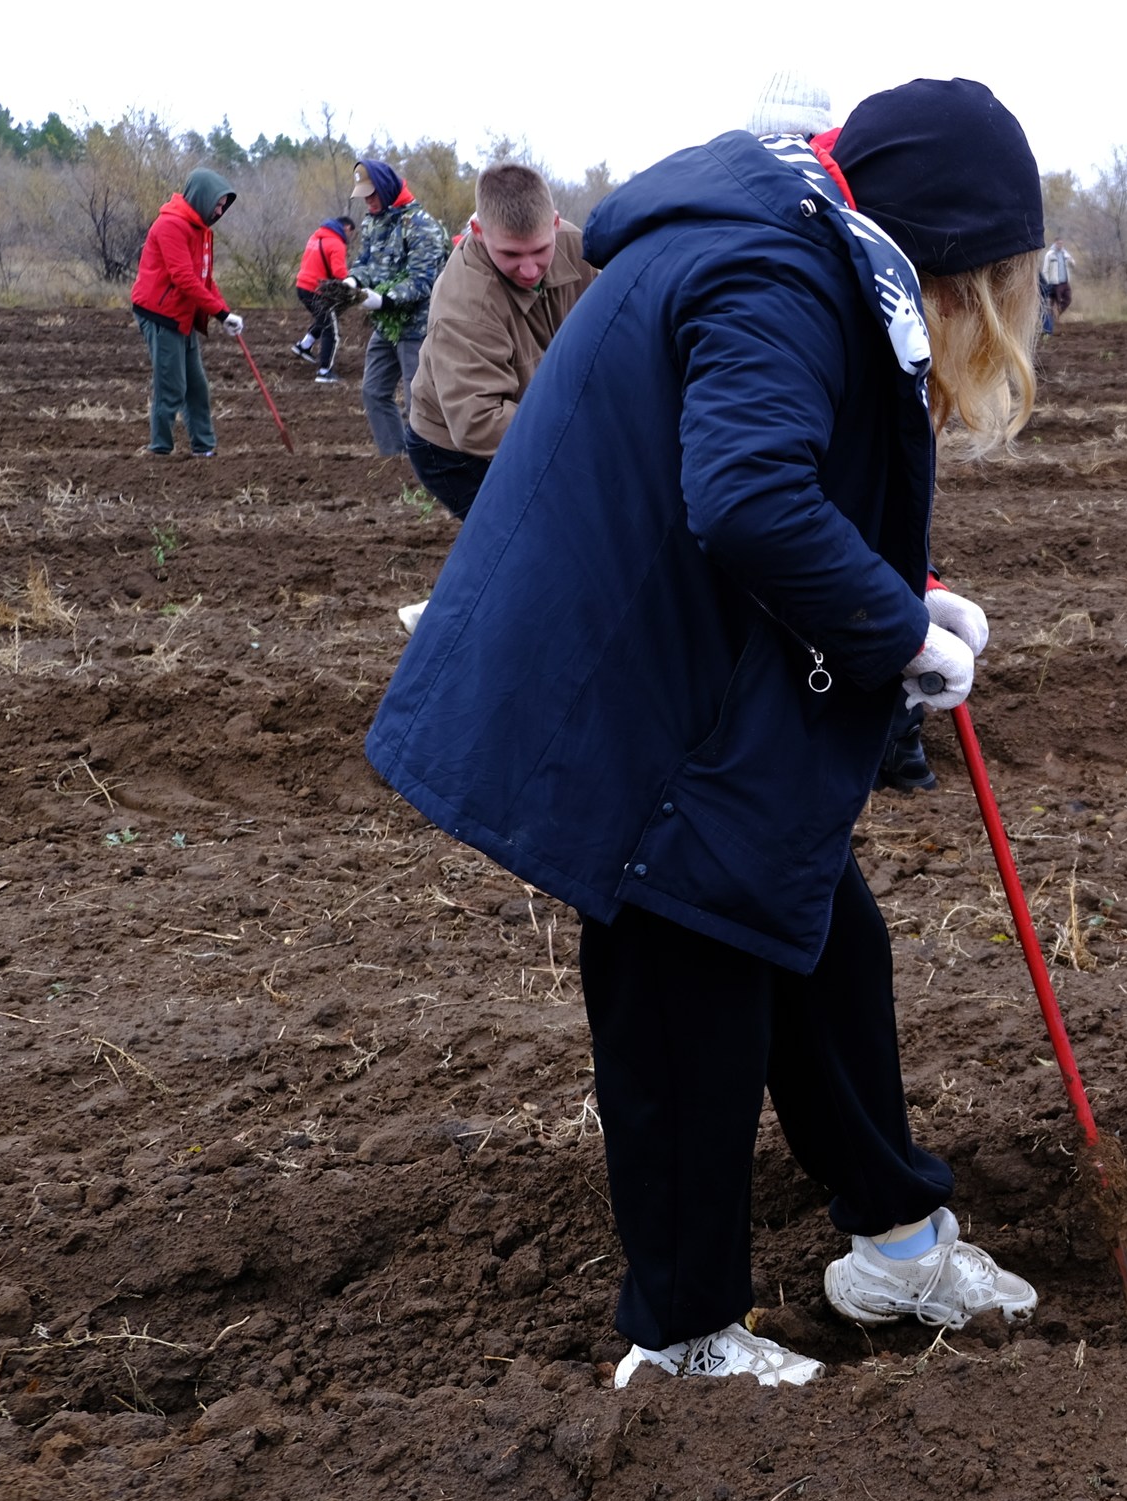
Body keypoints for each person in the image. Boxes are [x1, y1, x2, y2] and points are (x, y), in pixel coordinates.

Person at [365, 79, 1049, 1388]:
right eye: (999, 288)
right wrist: (893, 634)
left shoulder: (785, 241)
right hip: (625, 694)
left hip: (678, 665)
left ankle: (896, 1240)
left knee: (820, 933)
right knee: (688, 987)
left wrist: (898, 599)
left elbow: (759, 475)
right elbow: (744, 494)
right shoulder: (776, 271)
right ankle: (680, 1338)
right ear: (954, 261)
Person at [403, 163, 596, 521]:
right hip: (457, 451)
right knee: (536, 539)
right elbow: (478, 421)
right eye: (510, 254)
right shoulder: (463, 306)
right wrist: (585, 434)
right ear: (477, 231)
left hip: (533, 411)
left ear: (555, 223)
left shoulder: (580, 249)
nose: (529, 269)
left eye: (540, 250)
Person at [128, 167, 243, 458]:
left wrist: (225, 312)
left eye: (222, 206)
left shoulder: (202, 230)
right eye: (217, 204)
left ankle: (204, 448)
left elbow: (204, 278)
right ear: (202, 198)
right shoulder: (170, 225)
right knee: (172, 386)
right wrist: (218, 313)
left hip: (184, 314)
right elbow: (183, 277)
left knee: (197, 387)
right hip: (159, 313)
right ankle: (160, 450)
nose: (219, 211)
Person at [347, 158, 449, 457]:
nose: (368, 201)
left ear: (387, 188)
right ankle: (395, 460)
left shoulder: (422, 227)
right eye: (364, 196)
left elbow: (422, 282)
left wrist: (384, 299)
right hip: (386, 325)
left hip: (418, 326)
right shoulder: (371, 222)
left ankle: (428, 463)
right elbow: (365, 263)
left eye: (372, 194)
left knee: (417, 399)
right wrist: (353, 281)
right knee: (373, 391)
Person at [290, 213, 353, 382]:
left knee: (324, 319)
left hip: (302, 287)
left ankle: (304, 346)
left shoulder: (316, 237)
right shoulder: (337, 244)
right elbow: (339, 273)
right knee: (331, 331)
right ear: (346, 228)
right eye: (351, 233)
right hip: (316, 291)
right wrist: (353, 282)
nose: (349, 238)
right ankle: (325, 372)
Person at [1040, 236, 1073, 333]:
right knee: (1055, 301)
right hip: (1055, 282)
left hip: (1065, 281)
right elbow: (1045, 269)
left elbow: (1072, 263)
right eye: (1058, 243)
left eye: (1061, 243)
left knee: (1068, 299)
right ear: (1055, 243)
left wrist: (1071, 262)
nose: (1060, 245)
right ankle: (1051, 322)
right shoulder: (1050, 254)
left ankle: (1056, 315)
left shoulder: (1065, 253)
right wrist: (1046, 283)